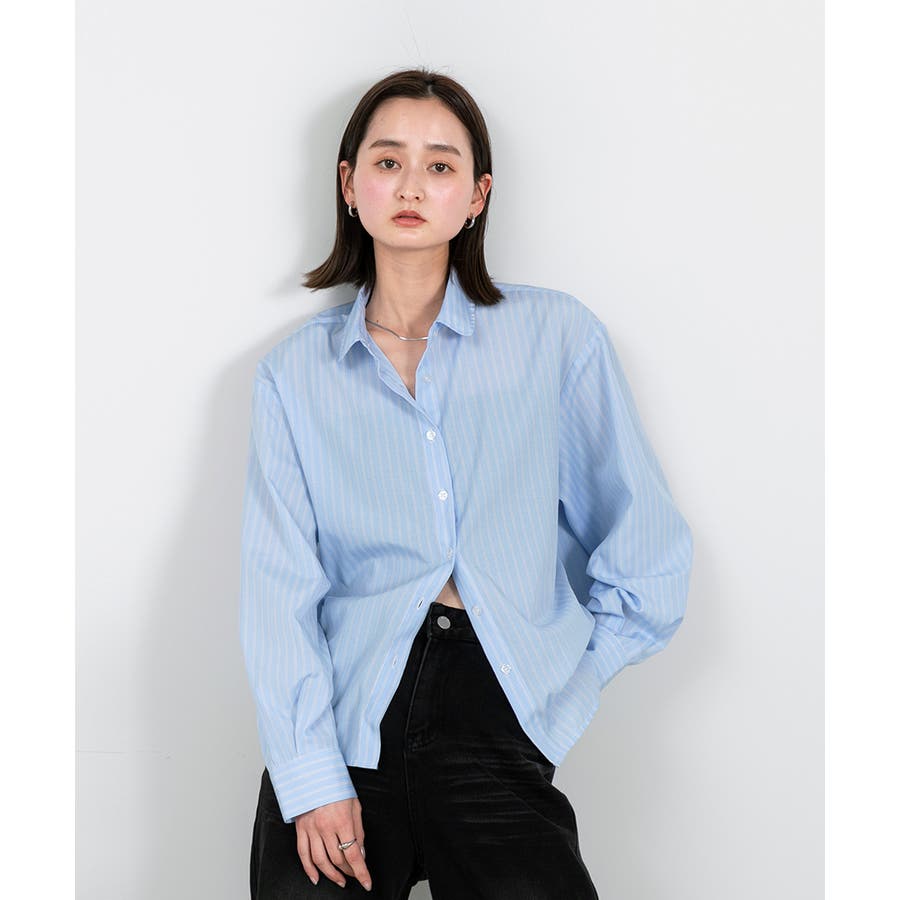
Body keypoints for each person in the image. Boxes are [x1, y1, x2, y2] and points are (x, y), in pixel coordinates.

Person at [239, 67, 693, 899]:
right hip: (344, 730)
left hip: (497, 720)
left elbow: (649, 561)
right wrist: (310, 778)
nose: (412, 185)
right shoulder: (294, 376)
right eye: (387, 161)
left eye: (441, 165)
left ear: (478, 194)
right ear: (349, 184)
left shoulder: (557, 338)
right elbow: (279, 593)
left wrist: (556, 694)